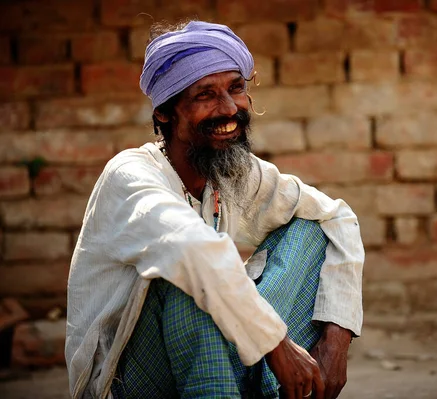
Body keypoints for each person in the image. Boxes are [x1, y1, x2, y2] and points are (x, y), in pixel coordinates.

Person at [66, 20, 364, 399]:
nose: (228, 109)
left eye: (236, 88)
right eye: (205, 95)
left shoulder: (230, 171)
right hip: (133, 381)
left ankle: (254, 387)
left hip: (213, 354)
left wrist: (335, 340)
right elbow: (192, 252)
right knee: (185, 283)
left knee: (311, 228)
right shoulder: (130, 176)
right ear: (164, 113)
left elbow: (338, 217)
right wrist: (276, 345)